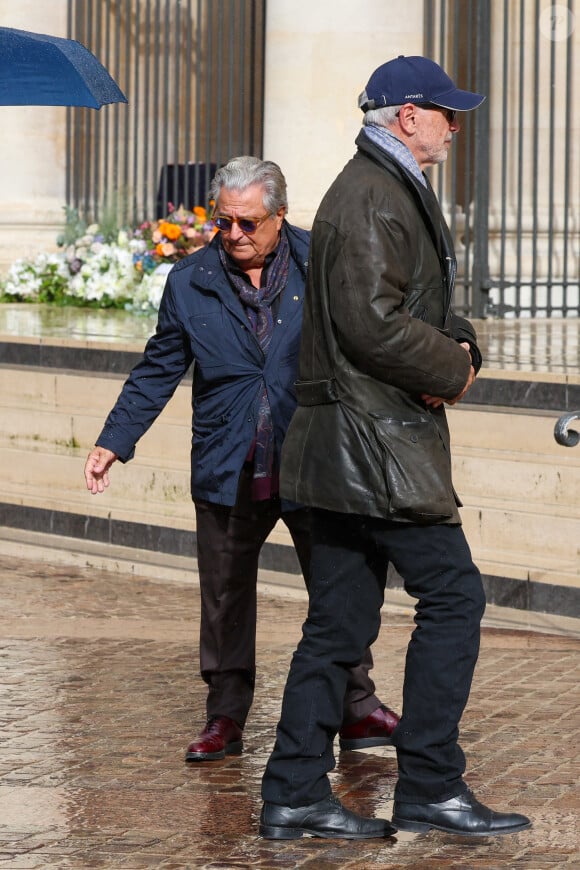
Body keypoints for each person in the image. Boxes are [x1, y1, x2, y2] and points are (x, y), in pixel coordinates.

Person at [259, 56, 532, 840]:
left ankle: (292, 792)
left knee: (338, 626)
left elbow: (416, 302)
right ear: (407, 115)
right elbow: (371, 324)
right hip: (373, 446)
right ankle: (431, 786)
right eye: (447, 113)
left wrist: (462, 342)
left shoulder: (381, 186)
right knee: (455, 599)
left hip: (351, 445)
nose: (456, 125)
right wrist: (455, 369)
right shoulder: (374, 192)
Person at [84, 156, 399, 764]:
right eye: (223, 223)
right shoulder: (190, 280)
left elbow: (373, 337)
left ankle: (356, 706)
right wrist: (113, 440)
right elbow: (159, 367)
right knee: (225, 596)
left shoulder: (322, 260)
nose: (234, 236)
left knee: (341, 587)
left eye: (248, 223)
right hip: (229, 457)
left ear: (281, 216)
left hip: (314, 455)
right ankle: (225, 714)